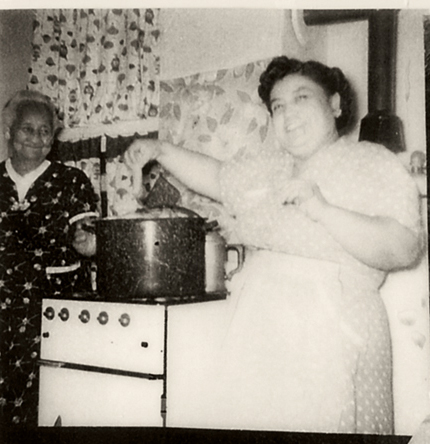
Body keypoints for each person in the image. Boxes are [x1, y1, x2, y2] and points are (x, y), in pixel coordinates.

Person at [124, 56, 424, 434]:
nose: (287, 114)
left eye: (302, 98)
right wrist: (159, 150)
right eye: (277, 106)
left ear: (334, 104)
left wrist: (324, 211)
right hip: (258, 327)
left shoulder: (372, 161)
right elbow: (218, 177)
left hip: (336, 329)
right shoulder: (268, 165)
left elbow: (403, 247)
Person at [0, 90, 98, 426]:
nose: (37, 138)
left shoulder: (71, 180)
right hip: (3, 316)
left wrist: (88, 242)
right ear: (9, 131)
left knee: (51, 404)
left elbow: (86, 235)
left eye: (45, 131)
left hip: (53, 313)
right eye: (28, 129)